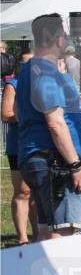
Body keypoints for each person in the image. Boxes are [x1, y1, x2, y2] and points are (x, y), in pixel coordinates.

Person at [16, 14, 81, 240]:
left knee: (46, 230)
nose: (66, 37)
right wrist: (75, 166)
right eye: (63, 34)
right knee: (62, 232)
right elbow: (55, 124)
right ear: (57, 38)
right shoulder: (45, 74)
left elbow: (20, 113)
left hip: (39, 157)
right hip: (54, 162)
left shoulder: (29, 69)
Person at [2, 54, 36, 244]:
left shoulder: (41, 84)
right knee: (23, 191)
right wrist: (30, 116)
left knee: (38, 192)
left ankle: (39, 235)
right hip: (19, 145)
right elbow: (6, 114)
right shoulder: (13, 84)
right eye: (25, 62)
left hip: (39, 144)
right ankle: (23, 239)